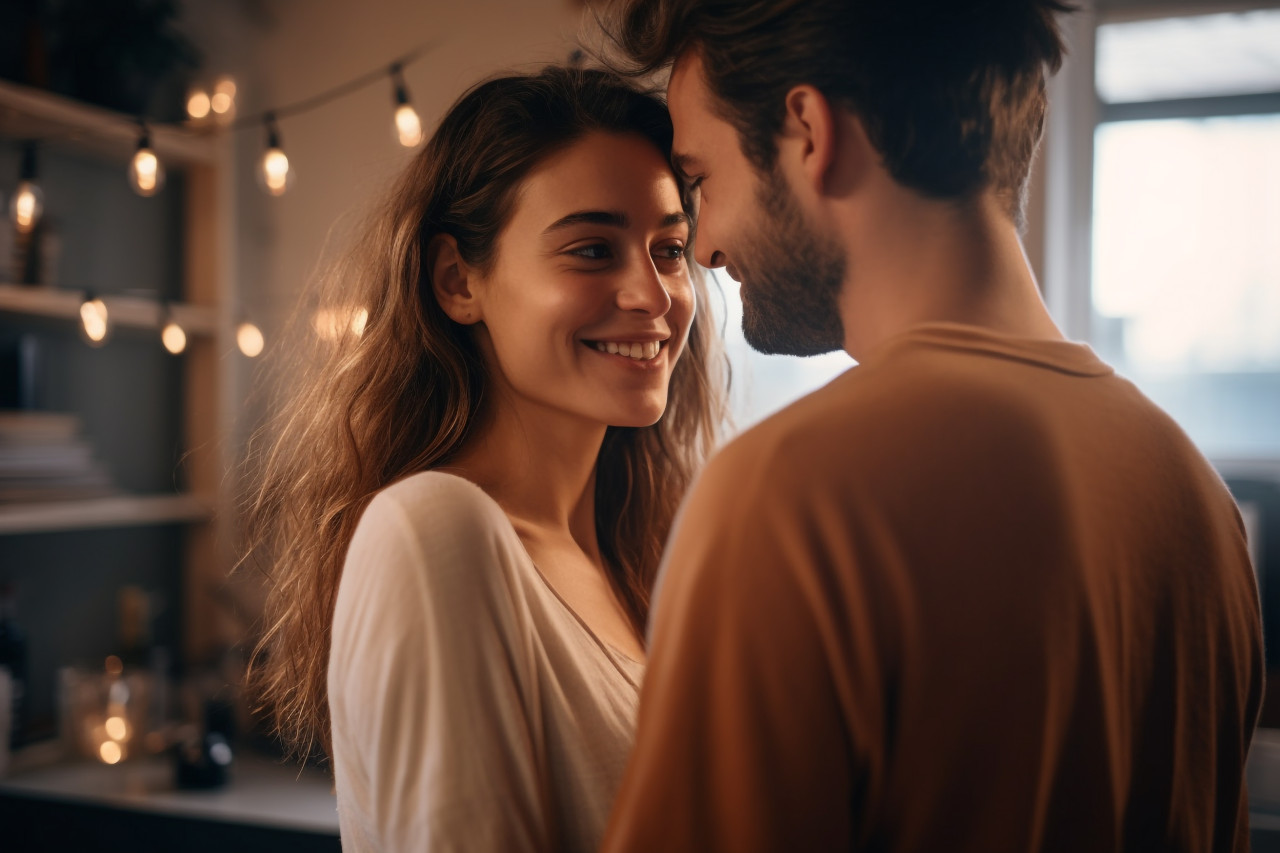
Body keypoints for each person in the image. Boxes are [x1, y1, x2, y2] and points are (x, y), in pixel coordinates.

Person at [599, 1, 1264, 851]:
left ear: (807, 130)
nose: (706, 246)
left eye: (701, 179)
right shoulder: (1190, 493)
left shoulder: (791, 497)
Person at [242, 66, 724, 852]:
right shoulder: (434, 529)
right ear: (458, 281)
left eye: (669, 249)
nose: (653, 294)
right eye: (593, 249)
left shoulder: (639, 557)